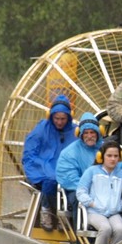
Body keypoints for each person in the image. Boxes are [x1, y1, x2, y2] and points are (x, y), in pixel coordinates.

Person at [55, 112, 122, 225]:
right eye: (86, 133)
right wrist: (93, 193)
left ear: (99, 132)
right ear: (79, 133)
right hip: (79, 190)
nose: (89, 136)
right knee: (78, 198)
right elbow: (68, 179)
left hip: (108, 191)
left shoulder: (112, 150)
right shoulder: (69, 153)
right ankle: (80, 238)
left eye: (92, 132)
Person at [22, 94, 76, 232]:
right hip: (43, 168)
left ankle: (64, 216)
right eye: (56, 118)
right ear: (51, 116)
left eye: (63, 119)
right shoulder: (41, 129)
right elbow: (29, 154)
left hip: (66, 172)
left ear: (69, 117)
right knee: (50, 180)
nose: (59, 122)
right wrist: (40, 168)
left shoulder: (75, 132)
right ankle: (48, 212)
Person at [76, 141, 122, 244]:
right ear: (101, 156)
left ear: (120, 157)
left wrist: (121, 205)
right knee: (105, 228)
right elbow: (80, 191)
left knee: (120, 230)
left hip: (114, 213)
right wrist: (92, 203)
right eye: (109, 155)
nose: (112, 159)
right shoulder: (92, 171)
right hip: (95, 212)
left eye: (115, 156)